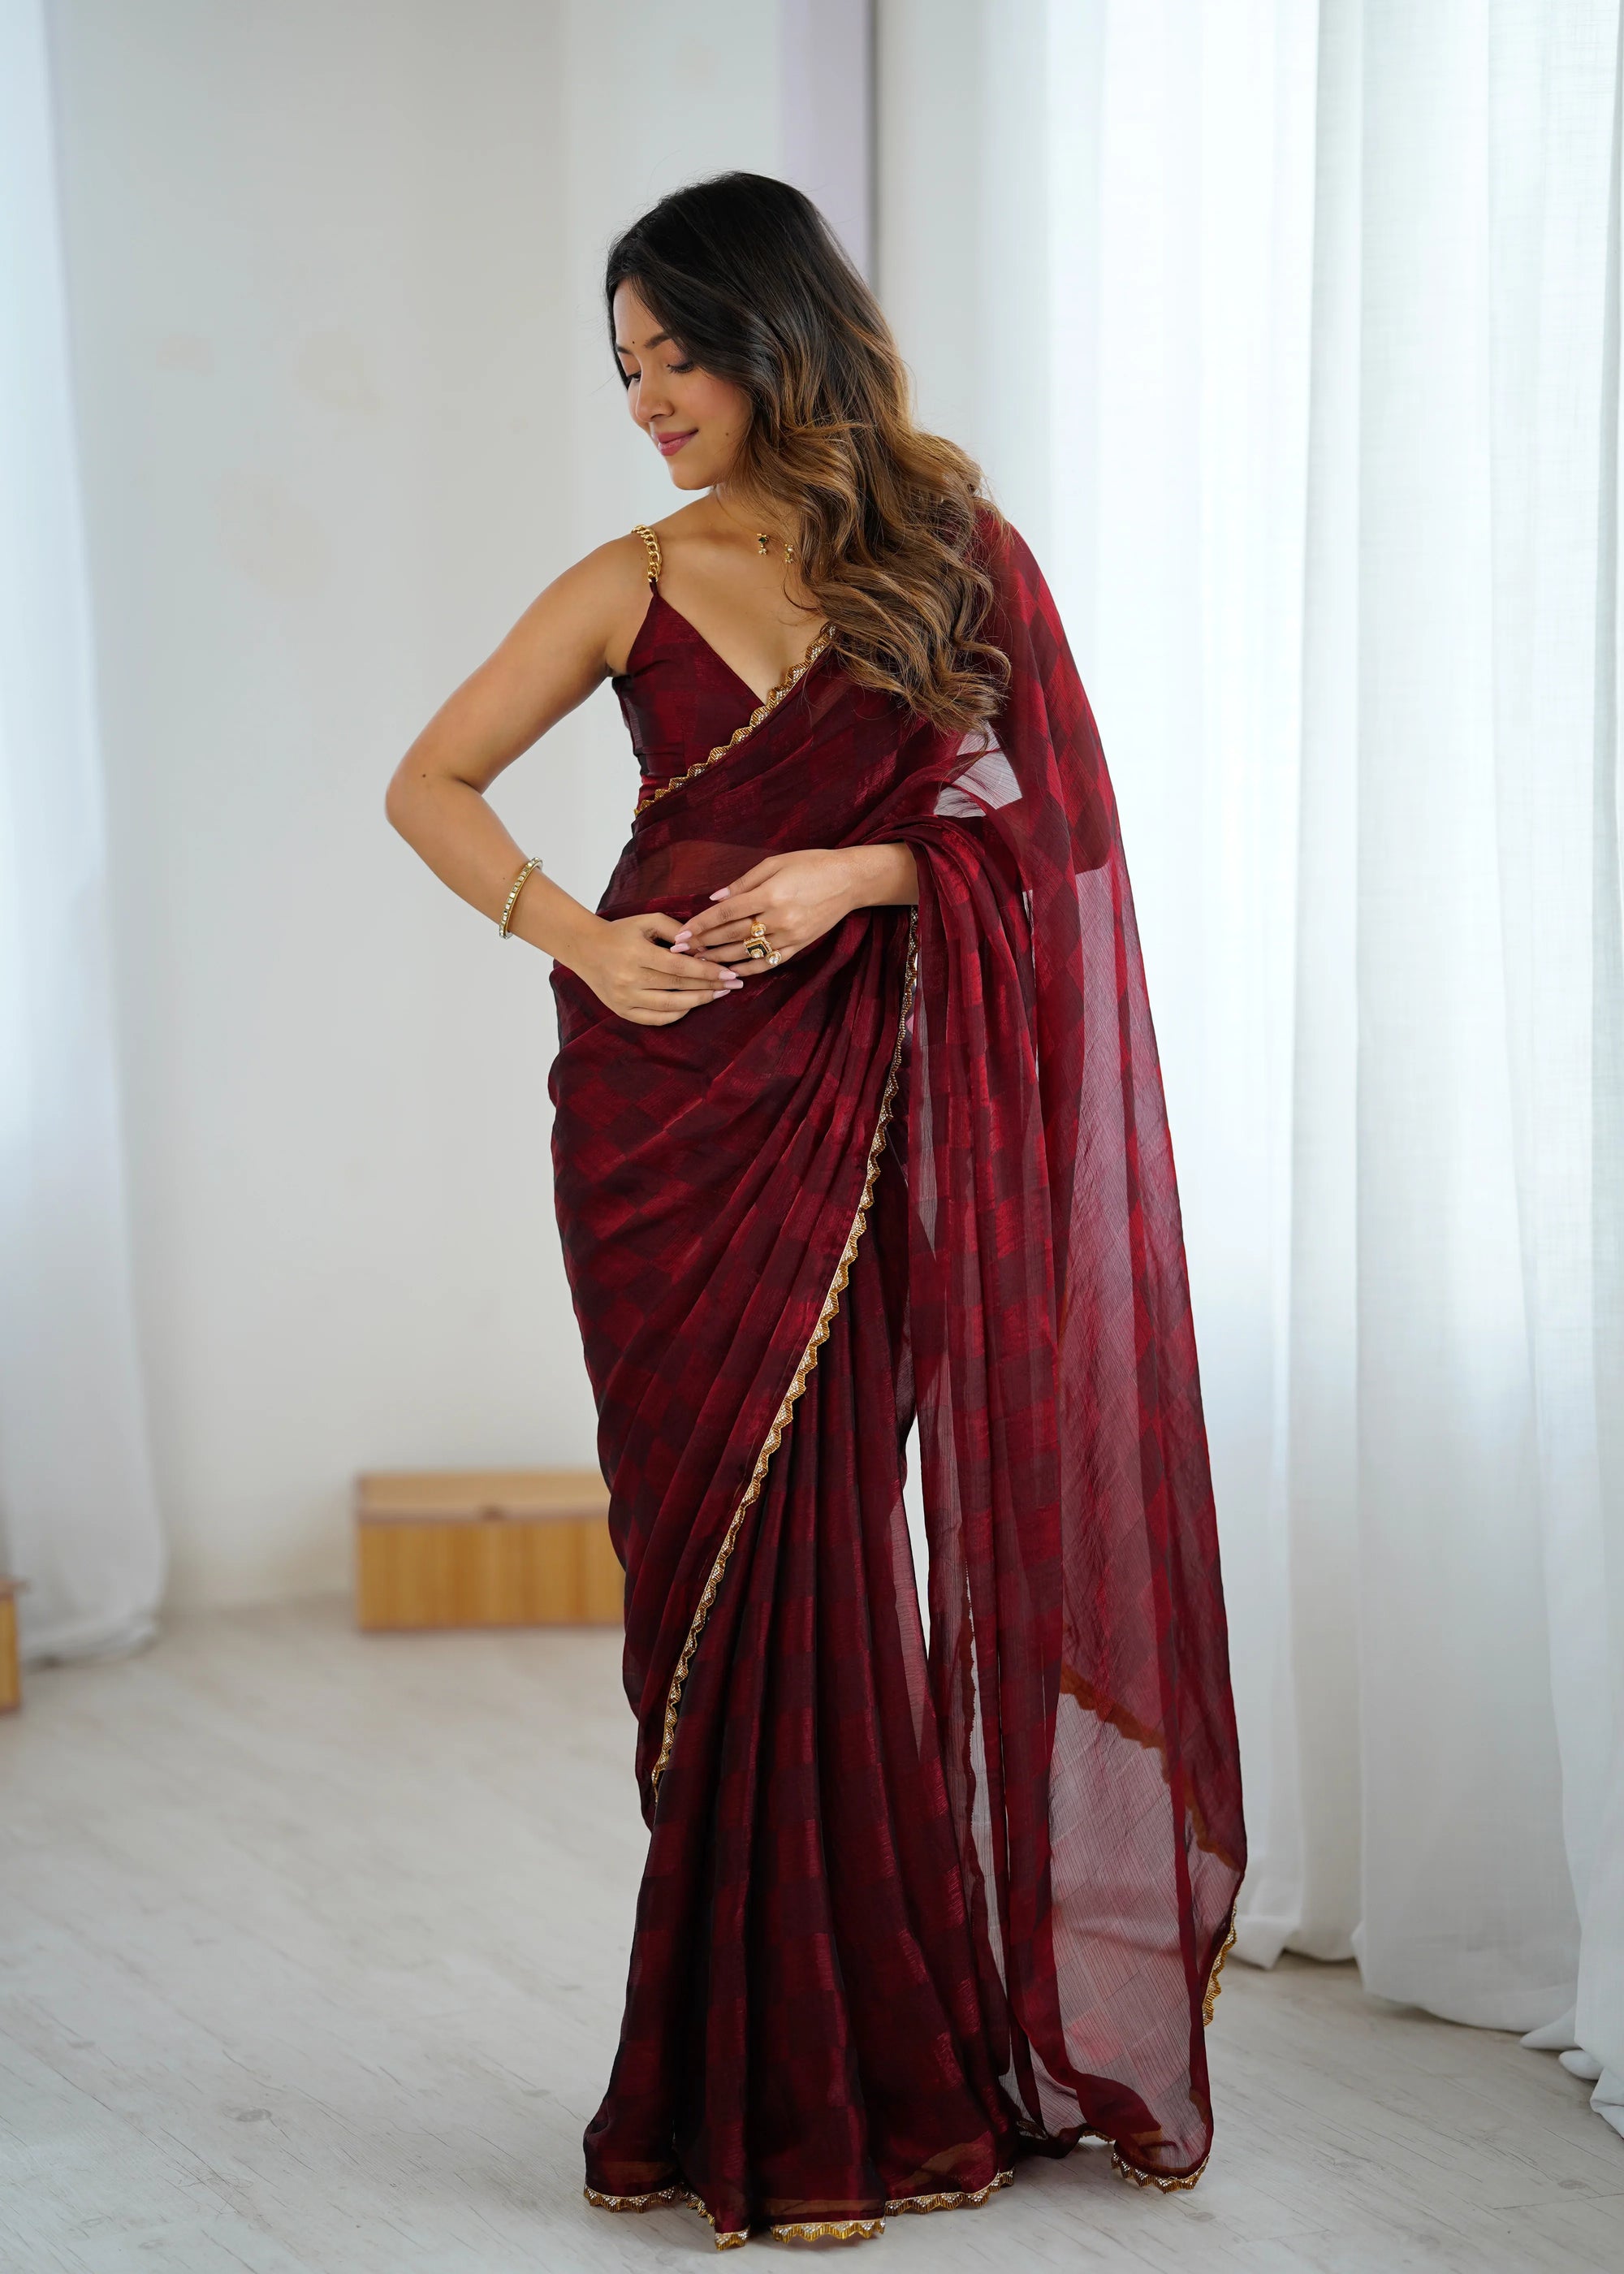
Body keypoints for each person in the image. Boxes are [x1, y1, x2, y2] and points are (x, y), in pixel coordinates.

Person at [387, 171, 1244, 2252]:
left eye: (674, 353)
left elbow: (1061, 838)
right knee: (704, 1579)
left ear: (775, 328)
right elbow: (426, 780)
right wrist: (582, 943)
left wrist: (866, 872)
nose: (646, 399)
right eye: (622, 368)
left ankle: (862, 2068)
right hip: (660, 1124)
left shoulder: (954, 550)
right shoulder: (630, 576)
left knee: (838, 1561)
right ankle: (732, 2070)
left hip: (858, 1107)